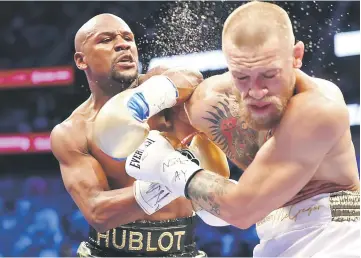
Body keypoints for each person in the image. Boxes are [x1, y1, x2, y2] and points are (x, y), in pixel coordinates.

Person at [95, 2, 360, 257]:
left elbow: (241, 211)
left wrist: (167, 166)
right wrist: (146, 99)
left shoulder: (318, 109)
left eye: (269, 75)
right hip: (272, 239)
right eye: (242, 77)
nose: (256, 92)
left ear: (296, 57)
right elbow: (185, 86)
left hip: (335, 237)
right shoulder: (213, 101)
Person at [50, 13, 231, 257]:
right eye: (106, 40)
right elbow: (97, 213)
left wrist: (142, 103)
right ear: (81, 60)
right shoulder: (73, 131)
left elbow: (191, 76)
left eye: (128, 38)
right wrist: (174, 174)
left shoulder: (161, 89)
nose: (123, 44)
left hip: (182, 249)